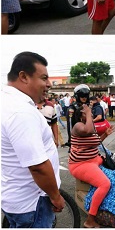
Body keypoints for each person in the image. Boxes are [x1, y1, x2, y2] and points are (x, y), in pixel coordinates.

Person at [2, 52, 65, 227]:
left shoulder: (7, 102)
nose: (49, 84)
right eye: (44, 78)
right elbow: (37, 166)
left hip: (16, 199)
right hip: (33, 203)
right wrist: (55, 196)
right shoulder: (20, 111)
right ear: (23, 76)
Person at [69, 103, 115, 228]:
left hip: (93, 159)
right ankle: (90, 220)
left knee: (113, 167)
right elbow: (88, 130)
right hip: (80, 164)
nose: (91, 113)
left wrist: (105, 134)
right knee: (105, 184)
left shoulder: (89, 125)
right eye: (87, 112)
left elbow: (95, 142)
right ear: (80, 116)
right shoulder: (78, 126)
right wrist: (89, 113)